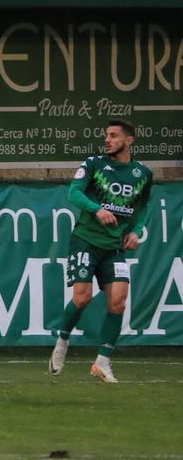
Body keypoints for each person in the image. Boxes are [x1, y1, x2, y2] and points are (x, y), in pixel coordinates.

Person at [51, 120, 154, 383]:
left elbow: (143, 208)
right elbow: (73, 193)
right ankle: (62, 341)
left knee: (118, 301)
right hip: (86, 239)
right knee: (83, 298)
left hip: (115, 246)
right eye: (106, 135)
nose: (107, 140)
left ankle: (102, 362)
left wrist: (136, 231)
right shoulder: (94, 164)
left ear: (129, 141)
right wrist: (97, 209)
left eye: (113, 136)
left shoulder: (143, 173)